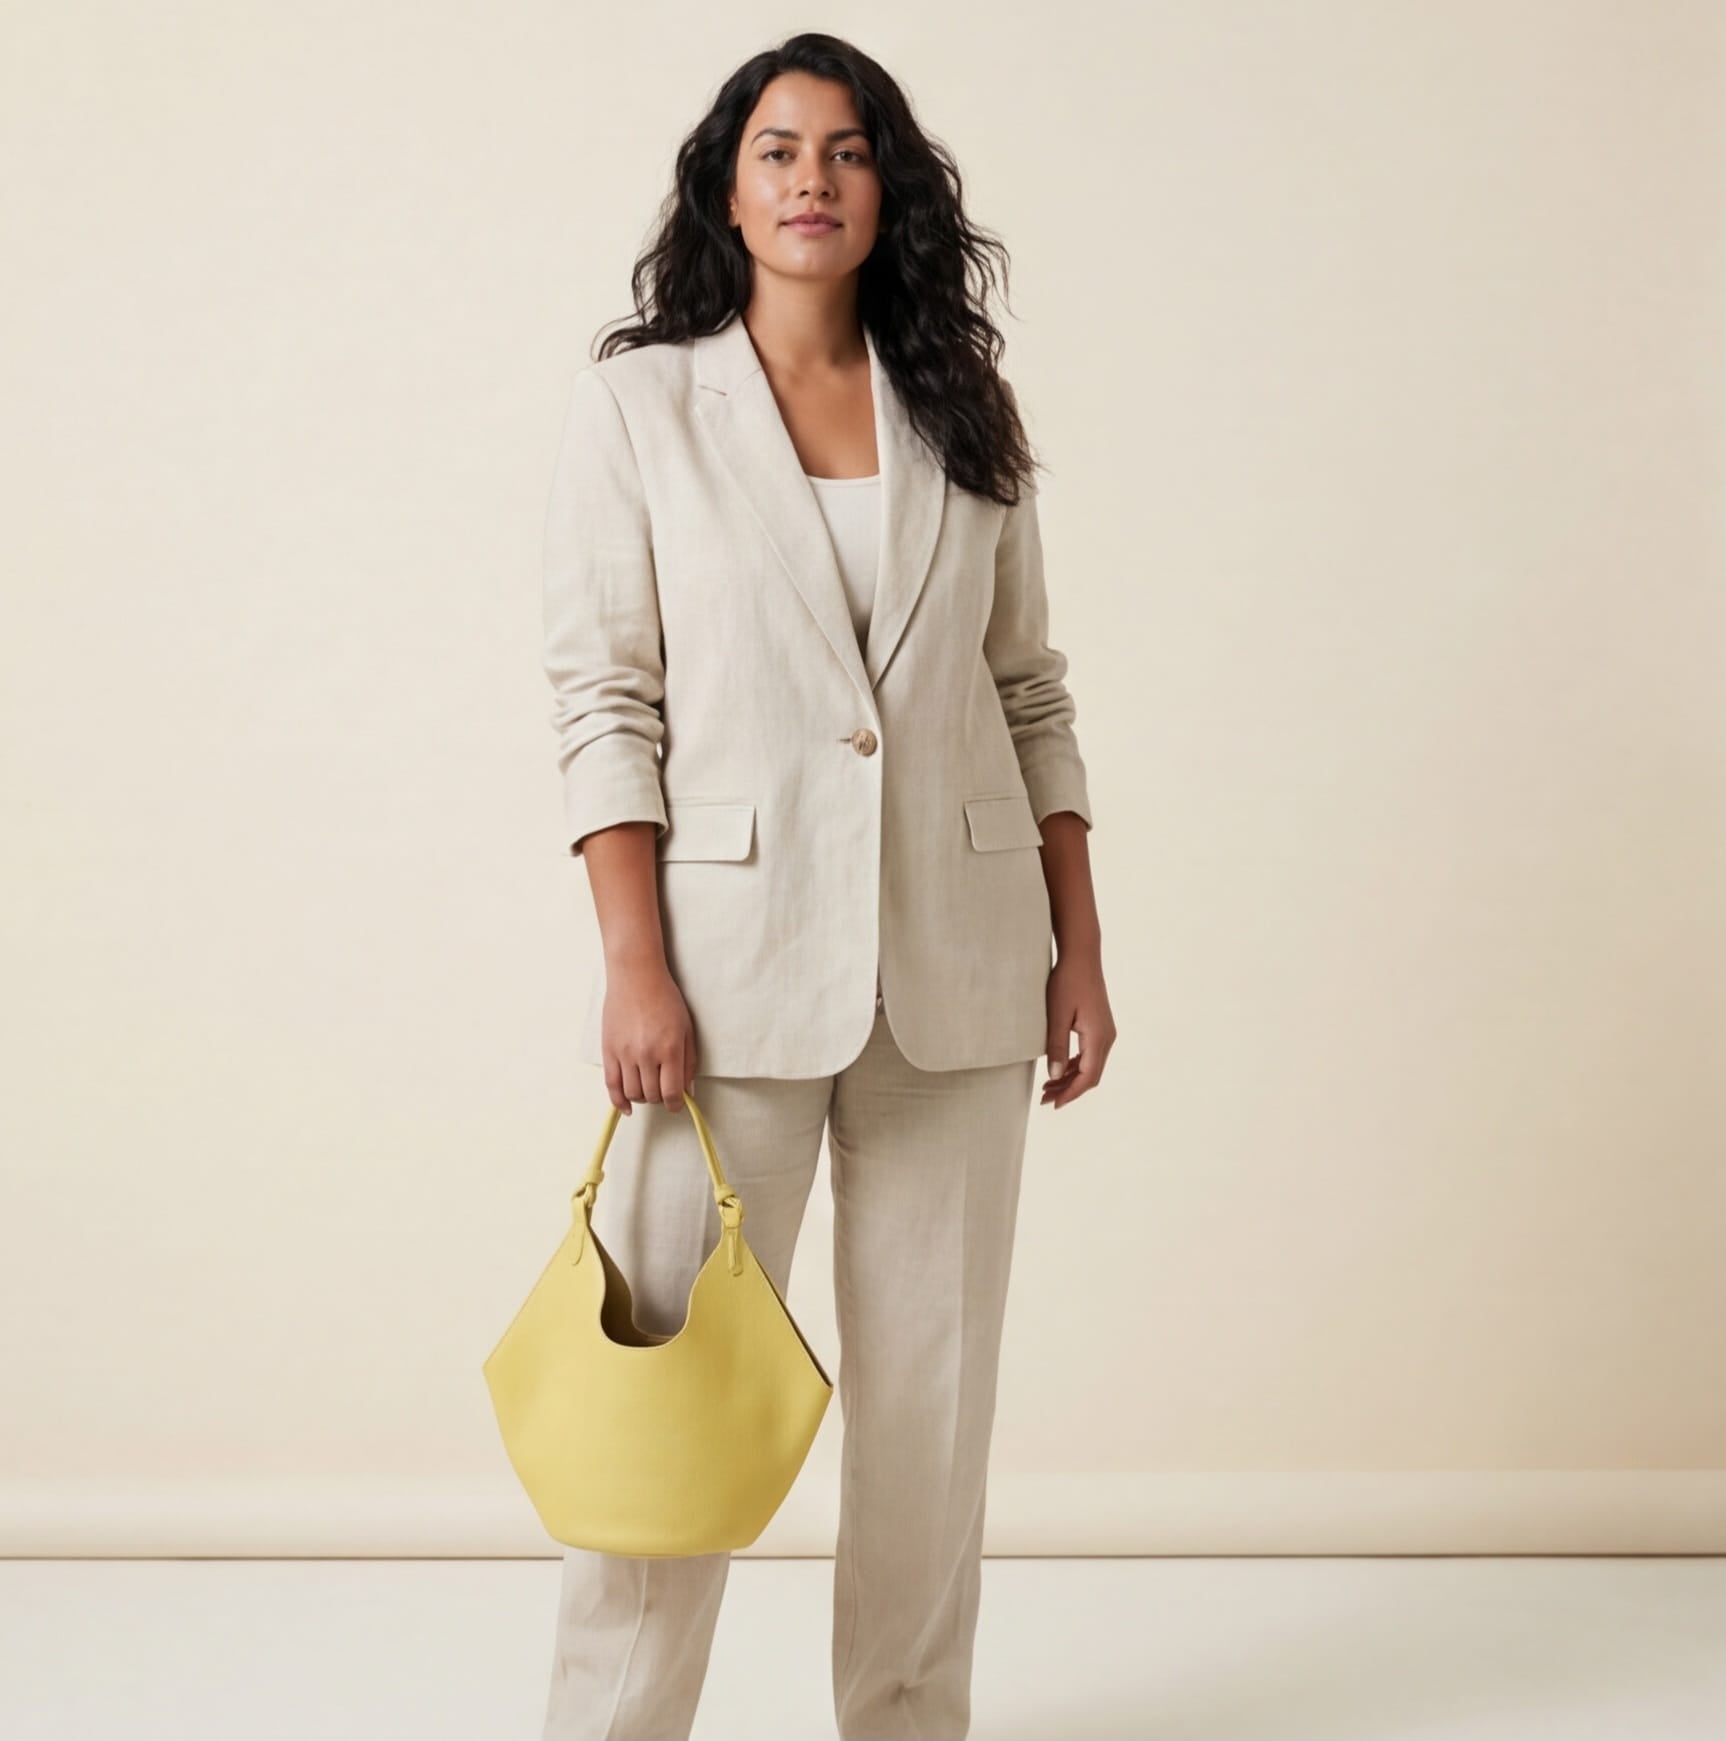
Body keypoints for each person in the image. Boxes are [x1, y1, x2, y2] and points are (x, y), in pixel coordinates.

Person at [537, 30, 1116, 1741]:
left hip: (958, 971)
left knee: (931, 1421)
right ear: (729, 185)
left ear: (888, 191)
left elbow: (1030, 694)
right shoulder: (640, 404)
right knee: (668, 1414)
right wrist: (633, 964)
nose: (812, 177)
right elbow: (605, 699)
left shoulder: (962, 411)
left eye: (847, 150)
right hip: (720, 982)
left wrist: (1077, 949)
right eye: (778, 148)